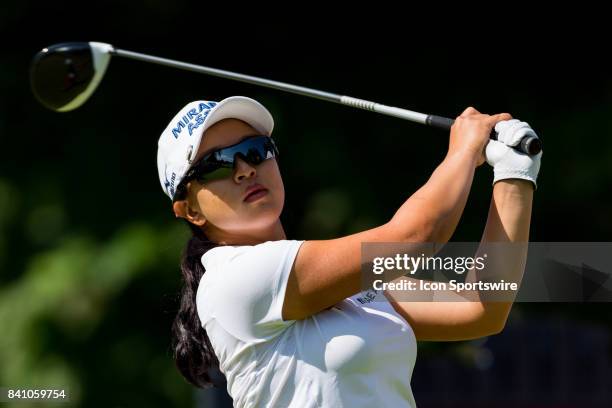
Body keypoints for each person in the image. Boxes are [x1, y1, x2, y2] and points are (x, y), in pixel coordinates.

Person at [157, 96, 542, 407]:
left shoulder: (342, 281)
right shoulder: (231, 279)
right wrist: (463, 149)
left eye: (255, 150)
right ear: (189, 209)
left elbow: (481, 308)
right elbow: (414, 238)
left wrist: (514, 176)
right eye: (214, 165)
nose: (244, 169)